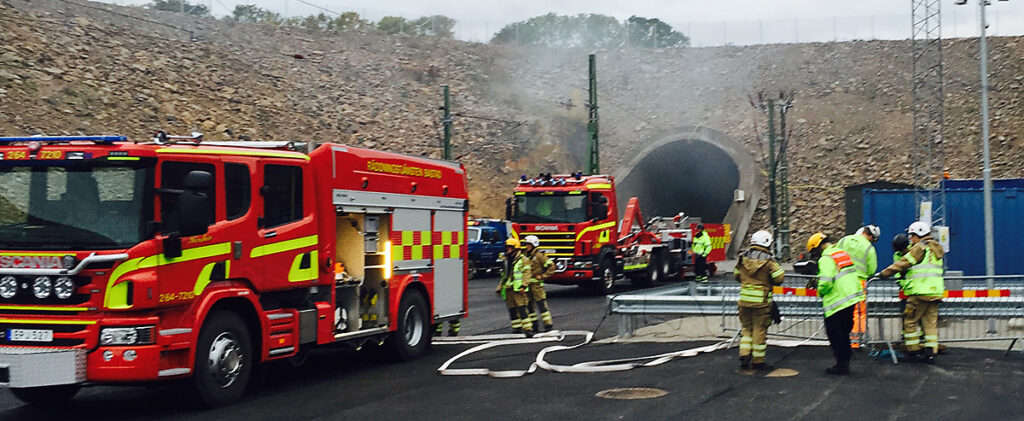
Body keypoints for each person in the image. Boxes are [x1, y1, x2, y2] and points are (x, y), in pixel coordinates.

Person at [879, 221, 944, 364]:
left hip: (919, 293)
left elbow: (903, 263)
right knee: (930, 324)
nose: (911, 240)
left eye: (912, 236)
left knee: (910, 322)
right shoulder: (936, 249)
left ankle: (913, 350)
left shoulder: (919, 248)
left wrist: (884, 273)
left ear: (918, 235)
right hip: (935, 293)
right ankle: (930, 353)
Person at [806, 232, 865, 375]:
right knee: (843, 331)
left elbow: (826, 282)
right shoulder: (841, 252)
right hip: (850, 297)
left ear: (818, 248)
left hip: (838, 300)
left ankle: (842, 364)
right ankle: (845, 360)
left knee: (835, 333)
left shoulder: (826, 258)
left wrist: (819, 290)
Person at [734, 230, 786, 370]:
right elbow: (779, 278)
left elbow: (736, 275)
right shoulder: (768, 261)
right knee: (759, 329)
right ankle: (758, 361)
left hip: (744, 301)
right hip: (761, 303)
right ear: (767, 243)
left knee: (746, 328)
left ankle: (744, 354)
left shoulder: (742, 258)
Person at [835, 225, 880, 349]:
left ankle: (840, 339)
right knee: (859, 311)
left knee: (841, 309)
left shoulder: (844, 240)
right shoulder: (868, 248)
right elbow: (872, 269)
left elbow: (833, 256)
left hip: (841, 280)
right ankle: (856, 341)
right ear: (871, 236)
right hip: (858, 282)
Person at [496, 238, 534, 337]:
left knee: (522, 309)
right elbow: (505, 275)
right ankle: (516, 328)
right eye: (507, 247)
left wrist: (524, 285)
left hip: (518, 289)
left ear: (515, 248)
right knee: (512, 310)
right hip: (508, 288)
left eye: (510, 247)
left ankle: (528, 329)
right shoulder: (507, 260)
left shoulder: (523, 260)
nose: (508, 249)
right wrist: (500, 287)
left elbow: (527, 273)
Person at [522, 235, 555, 332]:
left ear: (533, 244)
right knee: (529, 306)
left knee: (542, 305)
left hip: (537, 286)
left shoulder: (539, 256)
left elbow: (551, 267)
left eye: (528, 244)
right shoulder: (524, 256)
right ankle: (534, 325)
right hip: (527, 285)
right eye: (526, 244)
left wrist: (543, 276)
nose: (526, 246)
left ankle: (548, 325)